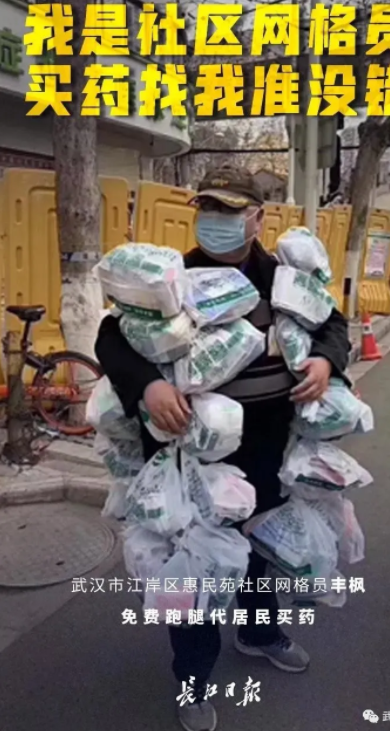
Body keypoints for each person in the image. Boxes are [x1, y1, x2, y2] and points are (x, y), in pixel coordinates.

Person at [95, 164, 351, 731]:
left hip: (267, 443)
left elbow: (333, 325)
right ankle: (192, 677)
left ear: (258, 218)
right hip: (191, 452)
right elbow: (111, 338)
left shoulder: (283, 280)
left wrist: (325, 360)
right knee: (195, 562)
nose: (217, 220)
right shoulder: (171, 279)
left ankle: (259, 632)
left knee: (261, 545)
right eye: (208, 209)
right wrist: (149, 384)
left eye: (231, 211)